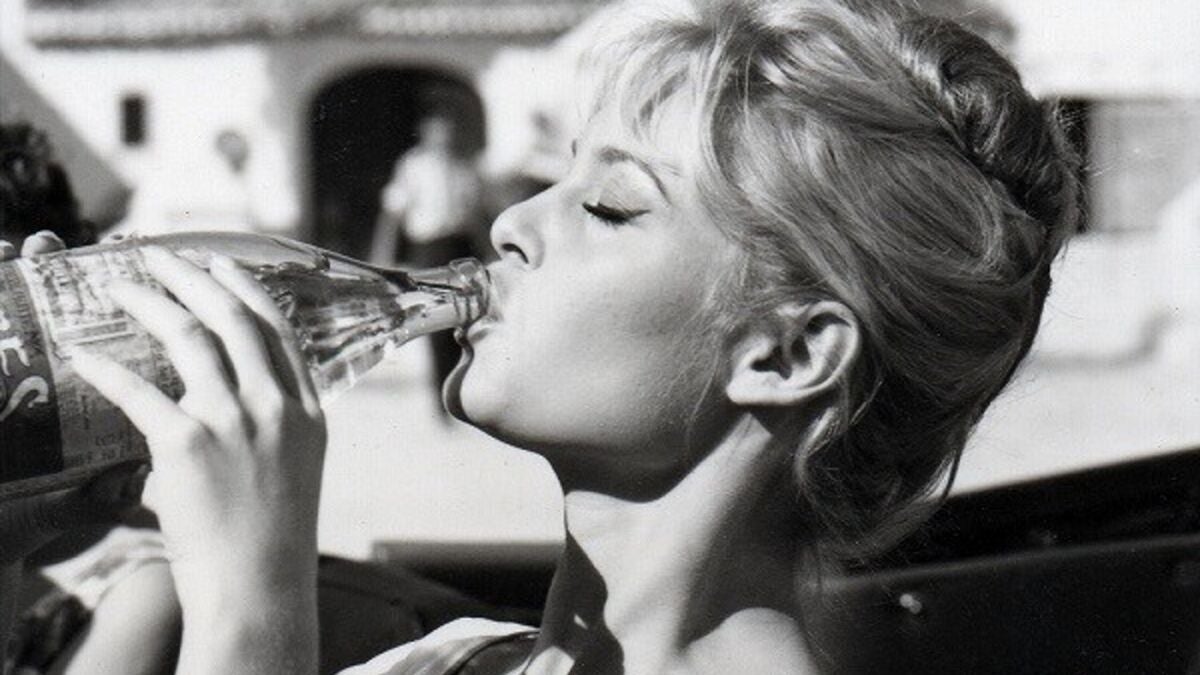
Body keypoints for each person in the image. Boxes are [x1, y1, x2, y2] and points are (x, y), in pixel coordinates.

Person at [2, 0, 1083, 672]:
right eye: (557, 176)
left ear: (787, 355)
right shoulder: (455, 660)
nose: (513, 221)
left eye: (611, 207)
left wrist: (250, 614)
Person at [371, 114, 487, 408]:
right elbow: (393, 212)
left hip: (459, 245)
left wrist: (485, 250)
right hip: (429, 247)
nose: (444, 138)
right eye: (438, 132)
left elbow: (475, 216)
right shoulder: (413, 166)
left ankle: (463, 391)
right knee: (436, 317)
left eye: (449, 132)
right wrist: (383, 253)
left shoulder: (464, 168)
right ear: (426, 134)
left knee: (464, 318)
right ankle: (442, 396)